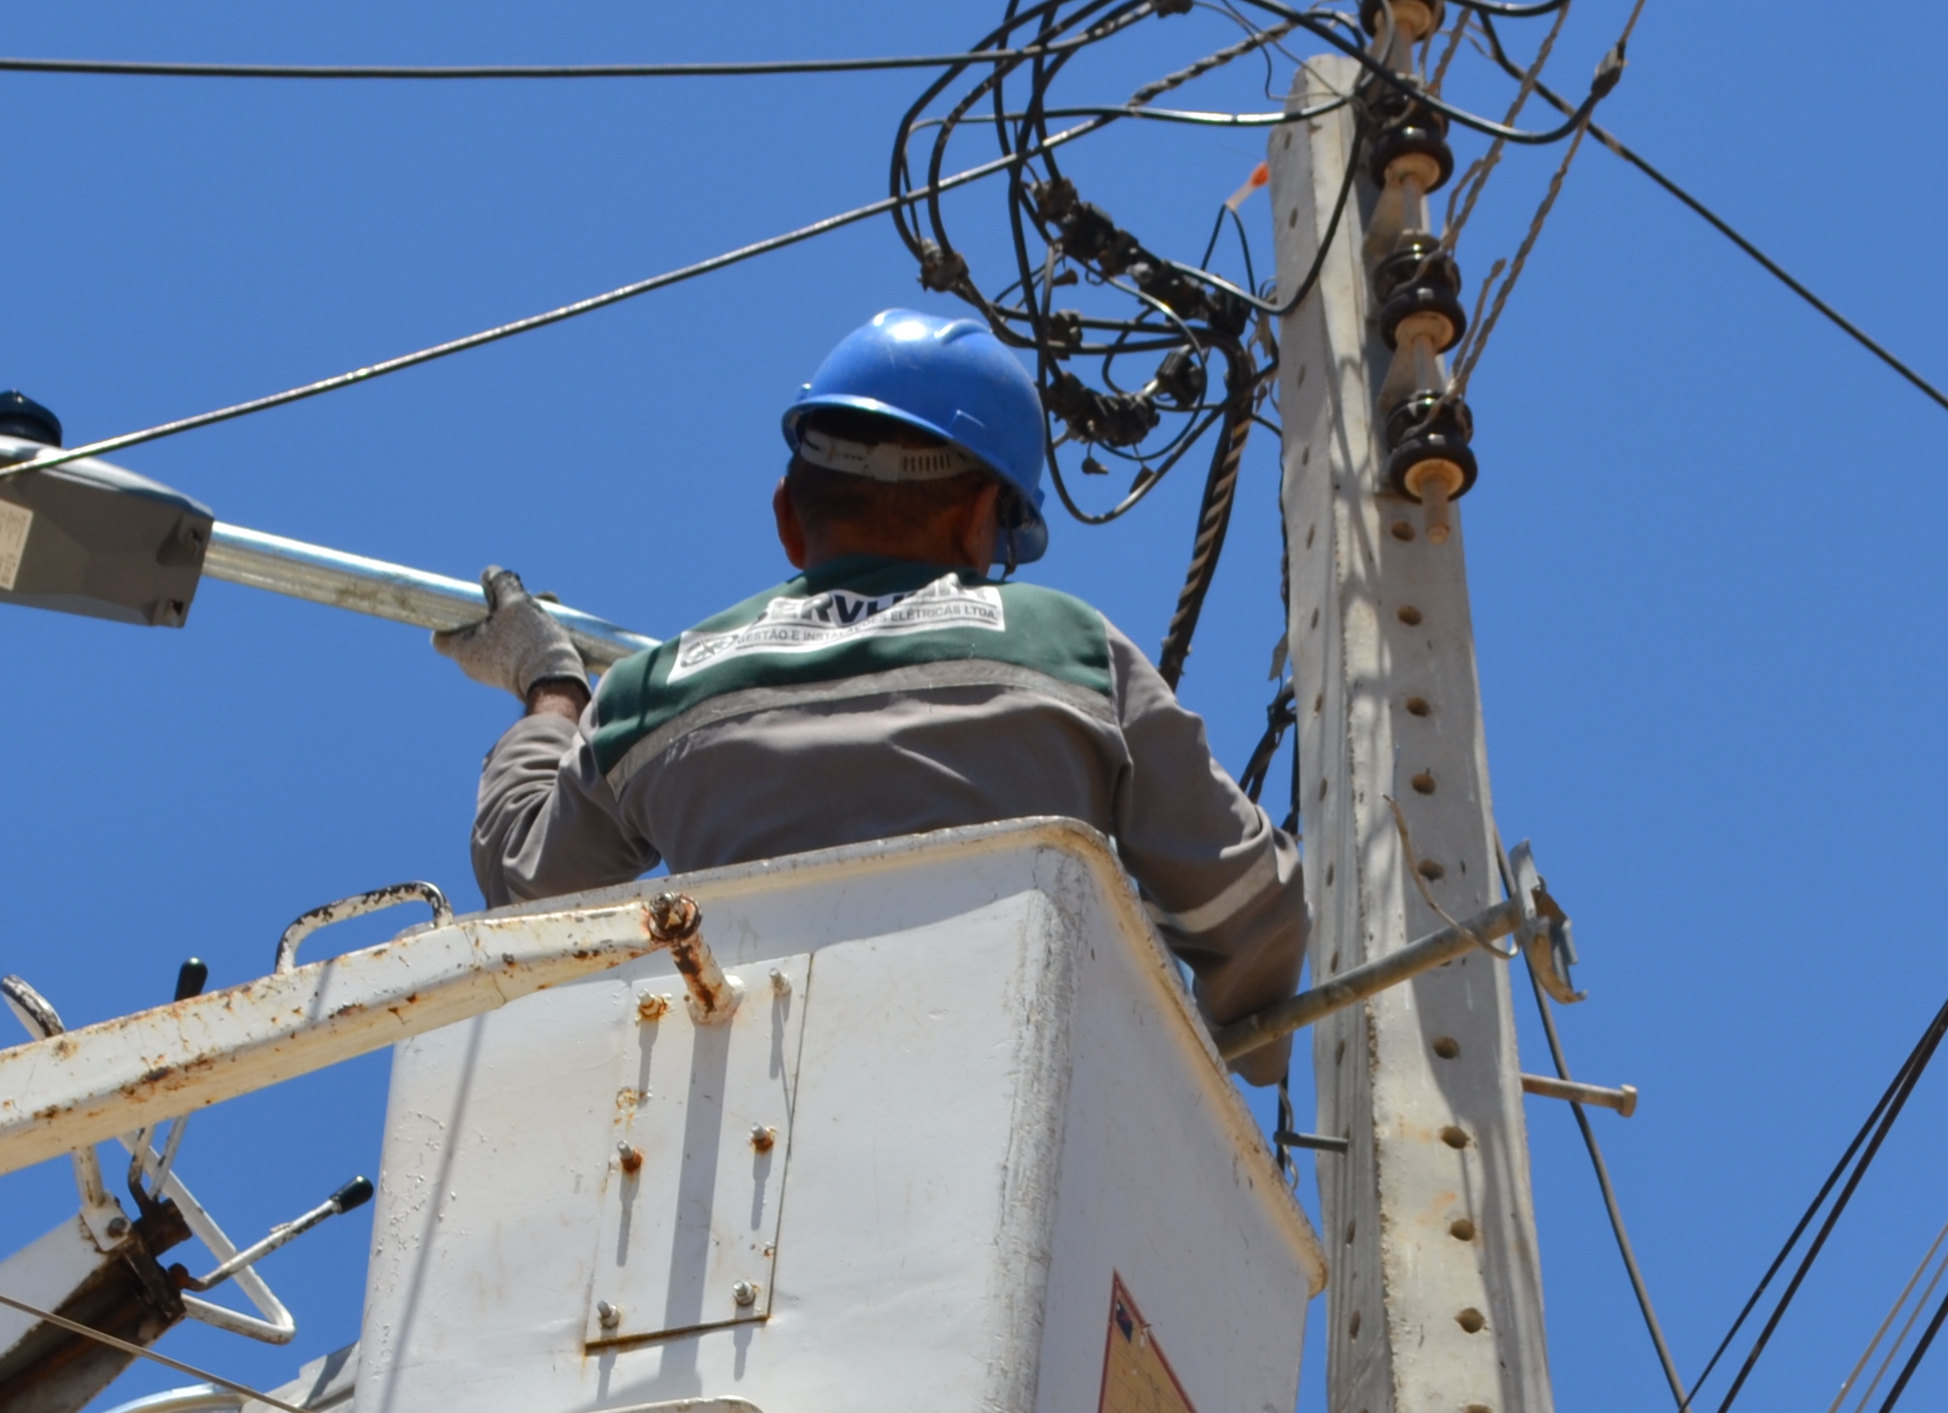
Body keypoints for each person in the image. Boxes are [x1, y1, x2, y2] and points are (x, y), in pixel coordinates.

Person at [439, 306, 1306, 1074]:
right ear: (979, 521)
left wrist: (551, 686)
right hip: (1013, 1094)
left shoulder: (650, 690)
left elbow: (530, 886)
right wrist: (1239, 1048)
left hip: (759, 1126)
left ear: (788, 515)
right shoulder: (1068, 645)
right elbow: (1244, 908)